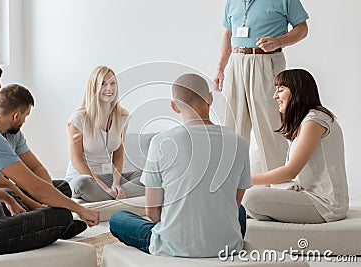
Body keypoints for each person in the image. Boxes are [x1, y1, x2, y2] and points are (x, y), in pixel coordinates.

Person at [0, 58, 99, 255]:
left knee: (56, 197)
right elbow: (35, 187)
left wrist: (9, 200)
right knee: (61, 215)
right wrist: (81, 210)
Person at [109, 73, 251, 257]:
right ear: (210, 98)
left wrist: (176, 223)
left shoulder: (161, 141)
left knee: (118, 218)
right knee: (239, 211)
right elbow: (234, 203)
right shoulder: (239, 142)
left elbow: (152, 212)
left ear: (174, 106)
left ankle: (175, 236)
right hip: (227, 246)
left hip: (173, 245)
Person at [214, 0, 309, 174]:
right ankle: (232, 183)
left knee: (270, 125)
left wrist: (278, 41)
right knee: (232, 125)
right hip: (236, 62)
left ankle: (277, 183)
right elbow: (228, 33)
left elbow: (302, 28)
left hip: (267, 61)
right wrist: (221, 67)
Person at [243, 69, 349, 223]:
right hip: (312, 196)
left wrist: (244, 179)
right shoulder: (309, 120)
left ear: (297, 92)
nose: (275, 96)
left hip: (325, 204)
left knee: (251, 198)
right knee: (251, 197)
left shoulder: (314, 121)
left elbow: (290, 172)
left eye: (280, 90)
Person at [0, 84, 74, 215]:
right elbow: (3, 184)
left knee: (61, 187)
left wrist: (50, 197)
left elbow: (36, 168)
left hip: (11, 191)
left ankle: (47, 219)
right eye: (25, 116)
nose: (24, 121)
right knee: (9, 195)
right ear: (16, 116)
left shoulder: (15, 134)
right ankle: (50, 219)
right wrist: (40, 206)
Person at [65, 66, 144, 202]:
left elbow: (118, 154)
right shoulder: (78, 118)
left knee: (149, 177)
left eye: (112, 83)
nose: (109, 89)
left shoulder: (122, 117)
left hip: (108, 176)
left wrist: (116, 183)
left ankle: (110, 195)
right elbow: (76, 161)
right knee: (81, 185)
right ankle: (114, 196)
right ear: (94, 88)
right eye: (103, 84)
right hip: (84, 177)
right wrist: (103, 187)